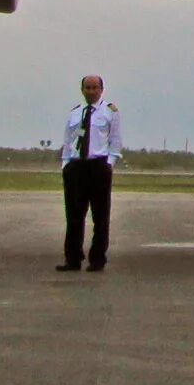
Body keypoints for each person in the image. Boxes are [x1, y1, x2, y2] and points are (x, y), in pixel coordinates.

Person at [58, 74, 121, 272]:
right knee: (74, 216)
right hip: (76, 167)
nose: (91, 91)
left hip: (98, 166)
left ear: (101, 90)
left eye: (95, 87)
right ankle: (73, 258)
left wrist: (109, 163)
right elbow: (68, 141)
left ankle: (97, 258)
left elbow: (115, 140)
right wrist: (66, 164)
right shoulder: (76, 113)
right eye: (87, 87)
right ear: (82, 90)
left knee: (100, 217)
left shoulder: (110, 112)